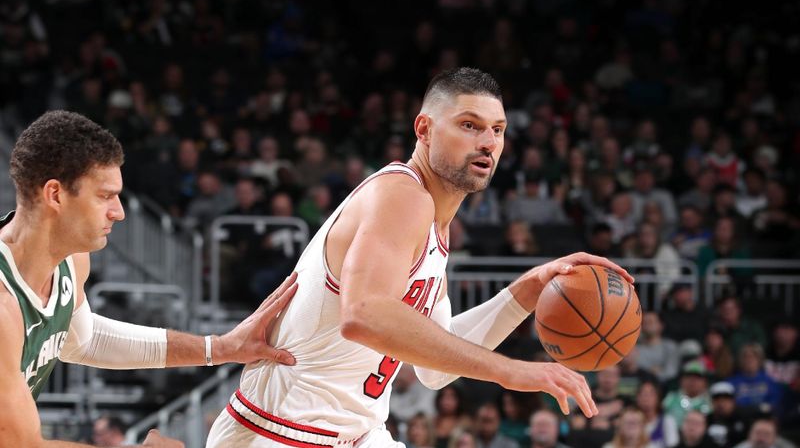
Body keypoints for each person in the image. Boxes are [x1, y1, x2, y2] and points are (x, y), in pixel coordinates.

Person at [207, 68, 634, 447]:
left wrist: (527, 291)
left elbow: (434, 369)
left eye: (498, 130)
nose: (487, 142)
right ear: (424, 129)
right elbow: (364, 314)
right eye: (470, 125)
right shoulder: (403, 195)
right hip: (282, 431)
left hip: (353, 433)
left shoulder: (434, 225)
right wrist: (513, 372)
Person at [0, 110, 298, 448]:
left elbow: (85, 339)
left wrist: (220, 347)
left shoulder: (71, 260)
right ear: (55, 194)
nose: (119, 211)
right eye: (104, 196)